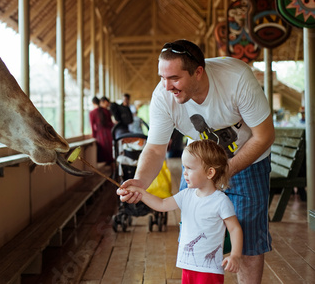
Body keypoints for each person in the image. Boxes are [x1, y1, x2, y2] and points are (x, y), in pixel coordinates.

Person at [117, 39, 275, 284]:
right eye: (162, 77)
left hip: (248, 160)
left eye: (174, 78)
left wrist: (225, 171)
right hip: (199, 167)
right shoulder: (163, 96)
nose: (166, 86)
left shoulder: (237, 78)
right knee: (194, 236)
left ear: (198, 72)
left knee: (249, 242)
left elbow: (264, 136)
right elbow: (156, 149)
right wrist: (140, 181)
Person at [124, 140, 243, 283]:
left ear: (210, 172)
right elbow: (161, 204)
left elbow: (235, 228)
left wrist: (235, 255)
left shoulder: (221, 201)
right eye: (184, 167)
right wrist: (140, 192)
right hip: (187, 265)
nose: (184, 173)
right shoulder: (186, 194)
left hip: (209, 269)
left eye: (189, 168)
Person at [89, 96, 114, 166]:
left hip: (100, 135)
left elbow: (92, 126)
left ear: (93, 103)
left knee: (104, 154)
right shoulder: (106, 111)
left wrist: (94, 135)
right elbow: (111, 123)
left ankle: (110, 171)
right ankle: (113, 171)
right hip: (109, 134)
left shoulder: (92, 113)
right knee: (111, 154)